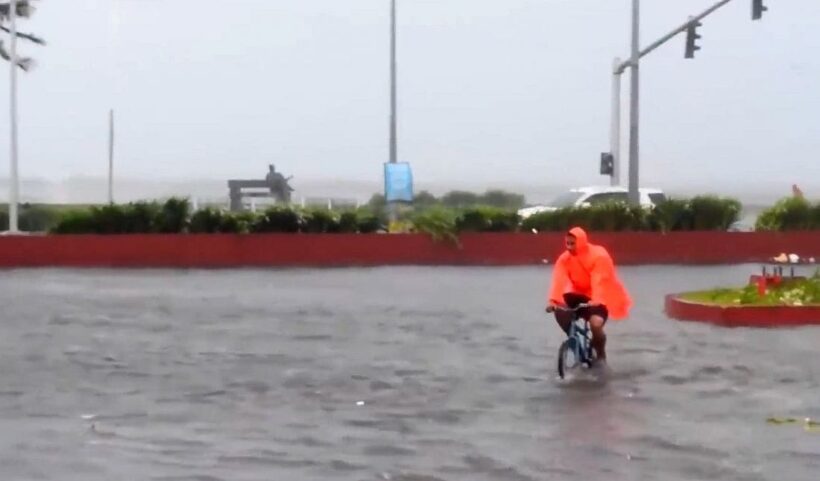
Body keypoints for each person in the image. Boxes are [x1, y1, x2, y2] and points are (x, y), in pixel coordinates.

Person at [545, 226, 632, 361]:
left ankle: (600, 353)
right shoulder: (564, 259)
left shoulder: (598, 255)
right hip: (578, 294)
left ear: (581, 242)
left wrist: (596, 299)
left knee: (596, 324)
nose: (569, 247)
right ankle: (574, 342)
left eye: (572, 244)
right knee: (560, 311)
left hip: (600, 295)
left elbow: (599, 279)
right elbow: (558, 280)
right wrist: (553, 301)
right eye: (567, 243)